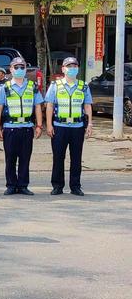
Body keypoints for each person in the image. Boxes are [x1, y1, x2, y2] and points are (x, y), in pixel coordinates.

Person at [0, 57, 44, 195]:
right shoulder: (5, 87)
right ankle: (11, 185)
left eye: (22, 67)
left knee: (25, 158)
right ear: (11, 70)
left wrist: (39, 126)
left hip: (27, 127)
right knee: (10, 158)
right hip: (10, 127)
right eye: (16, 67)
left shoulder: (32, 87)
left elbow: (38, 106)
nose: (19, 70)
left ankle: (23, 185)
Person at [45, 57, 93, 196]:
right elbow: (49, 105)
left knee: (76, 158)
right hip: (60, 126)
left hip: (78, 127)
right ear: (63, 69)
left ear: (78, 68)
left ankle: (75, 186)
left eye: (75, 66)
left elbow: (87, 105)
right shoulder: (55, 85)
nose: (72, 68)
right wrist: (49, 124)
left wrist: (89, 123)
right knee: (58, 157)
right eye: (69, 66)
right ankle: (57, 186)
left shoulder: (83, 86)